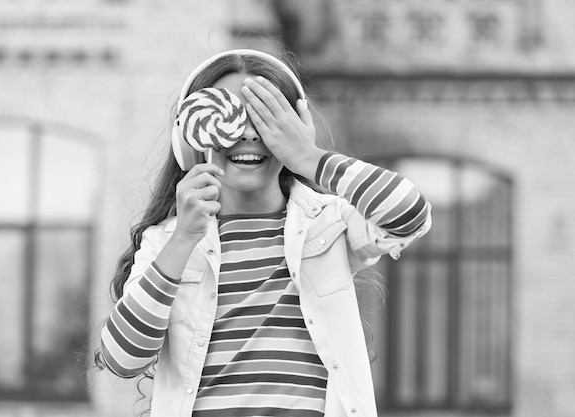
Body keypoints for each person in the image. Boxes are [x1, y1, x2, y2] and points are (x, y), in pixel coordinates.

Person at [97, 49, 432, 417]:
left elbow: (410, 214)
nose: (247, 133)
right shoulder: (166, 243)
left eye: (266, 119)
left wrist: (310, 158)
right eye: (230, 117)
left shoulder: (330, 223)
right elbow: (121, 359)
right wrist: (183, 239)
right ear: (190, 138)